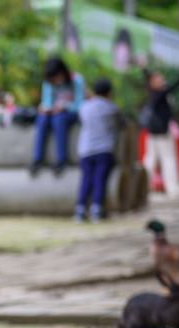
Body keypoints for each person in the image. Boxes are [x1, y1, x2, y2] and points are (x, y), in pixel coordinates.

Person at [141, 56, 179, 196]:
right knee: (167, 158)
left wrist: (144, 68)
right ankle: (172, 188)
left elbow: (149, 77)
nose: (163, 80)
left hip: (153, 131)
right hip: (162, 131)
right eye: (159, 79)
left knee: (150, 159)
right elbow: (178, 83)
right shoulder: (161, 93)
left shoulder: (154, 93)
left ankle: (143, 188)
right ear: (154, 82)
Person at [30, 57, 86, 177]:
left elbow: (80, 104)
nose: (55, 81)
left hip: (69, 113)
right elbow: (47, 101)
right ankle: (37, 159)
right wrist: (45, 108)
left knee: (59, 119)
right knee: (42, 119)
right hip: (53, 113)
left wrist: (65, 107)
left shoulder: (77, 80)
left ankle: (62, 159)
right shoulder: (48, 82)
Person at [76, 78, 120, 222]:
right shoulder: (111, 107)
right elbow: (121, 123)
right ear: (109, 93)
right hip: (104, 149)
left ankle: (80, 209)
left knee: (86, 179)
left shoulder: (84, 107)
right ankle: (96, 209)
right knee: (99, 179)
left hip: (86, 149)